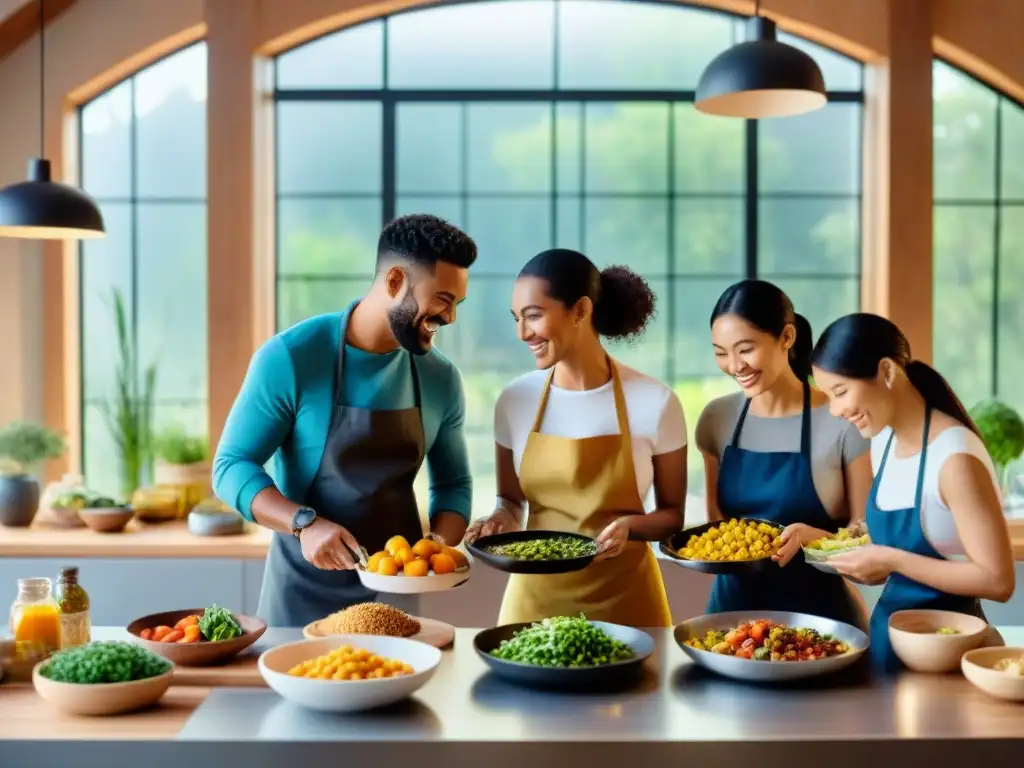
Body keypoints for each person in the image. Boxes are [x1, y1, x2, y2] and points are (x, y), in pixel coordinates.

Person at [213, 214, 477, 627]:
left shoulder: (440, 377)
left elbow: (453, 485)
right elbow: (231, 466)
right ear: (394, 282)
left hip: (394, 597)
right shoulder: (291, 357)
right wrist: (304, 524)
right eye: (443, 299)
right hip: (300, 592)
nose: (450, 317)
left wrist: (435, 546)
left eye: (456, 304)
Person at [463, 249, 687, 628]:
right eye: (517, 318)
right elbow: (512, 500)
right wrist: (499, 518)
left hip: (627, 603)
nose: (522, 333)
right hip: (534, 604)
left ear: (581, 310)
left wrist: (631, 527)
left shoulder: (656, 402)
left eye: (533, 315)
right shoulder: (515, 401)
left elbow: (673, 517)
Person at [810, 313, 1014, 672]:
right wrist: (820, 541)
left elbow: (997, 580)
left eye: (840, 392)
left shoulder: (954, 457)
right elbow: (896, 542)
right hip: (889, 647)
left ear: (887, 372)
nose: (837, 410)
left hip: (949, 653)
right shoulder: (883, 440)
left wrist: (890, 561)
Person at [695, 279, 872, 628]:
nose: (734, 365)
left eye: (745, 349)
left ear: (787, 338)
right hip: (731, 622)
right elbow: (715, 526)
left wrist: (819, 538)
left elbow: (869, 534)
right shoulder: (717, 419)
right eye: (720, 353)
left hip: (822, 622)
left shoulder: (840, 419)